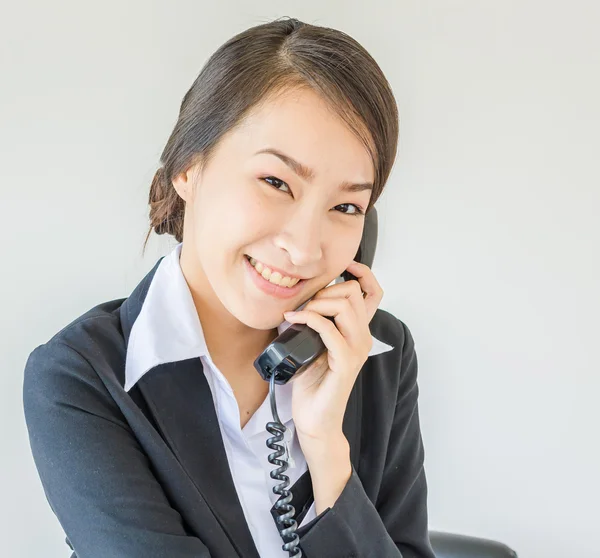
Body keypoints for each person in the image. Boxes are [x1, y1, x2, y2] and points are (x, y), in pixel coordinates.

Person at [23, 17, 436, 558]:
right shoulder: (82, 377)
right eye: (275, 182)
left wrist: (326, 450)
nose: (306, 249)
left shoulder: (376, 353)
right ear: (188, 167)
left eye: (346, 206)